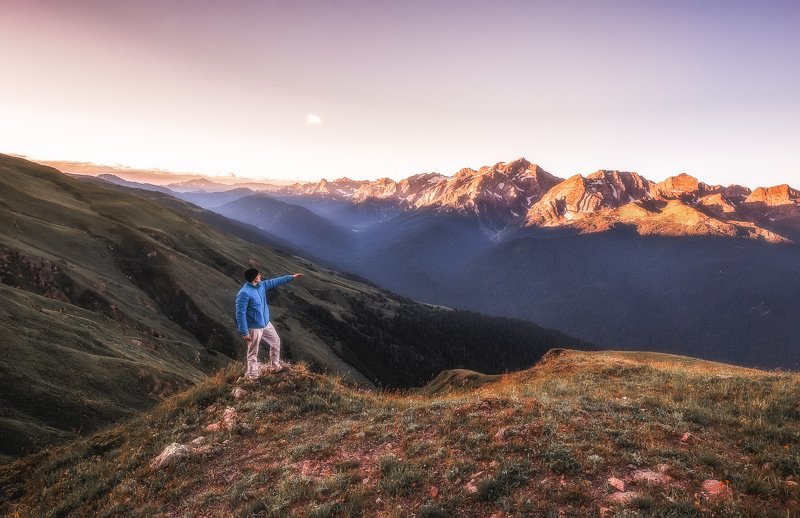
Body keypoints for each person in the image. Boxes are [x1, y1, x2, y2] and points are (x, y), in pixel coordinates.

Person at [235, 268, 303, 380]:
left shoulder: (261, 285)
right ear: (254, 278)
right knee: (253, 352)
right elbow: (240, 313)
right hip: (254, 327)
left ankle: (275, 367)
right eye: (258, 275)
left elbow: (275, 281)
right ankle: (253, 376)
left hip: (266, 323)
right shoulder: (244, 293)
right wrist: (244, 331)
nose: (260, 276)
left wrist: (291, 277)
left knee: (276, 341)